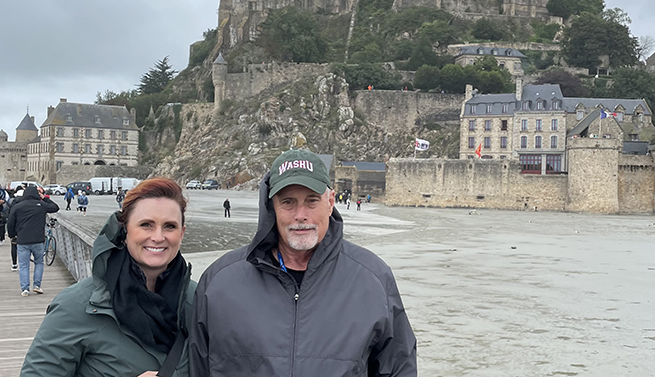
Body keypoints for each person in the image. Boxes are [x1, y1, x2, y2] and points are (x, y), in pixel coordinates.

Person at [189, 149, 416, 376]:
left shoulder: (373, 279)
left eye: (312, 201)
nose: (300, 214)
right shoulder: (219, 282)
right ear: (271, 207)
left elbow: (399, 368)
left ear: (330, 202)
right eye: (288, 202)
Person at [19, 177, 196, 377]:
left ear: (182, 234)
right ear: (125, 230)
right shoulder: (77, 306)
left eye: (170, 226)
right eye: (146, 224)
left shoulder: (199, 301)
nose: (158, 236)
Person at [7, 185, 59, 296]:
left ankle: (25, 288)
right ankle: (37, 285)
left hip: (22, 240)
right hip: (38, 240)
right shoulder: (41, 205)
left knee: (24, 265)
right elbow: (55, 207)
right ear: (36, 194)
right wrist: (44, 197)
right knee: (39, 262)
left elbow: (10, 223)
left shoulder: (17, 206)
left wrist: (12, 236)